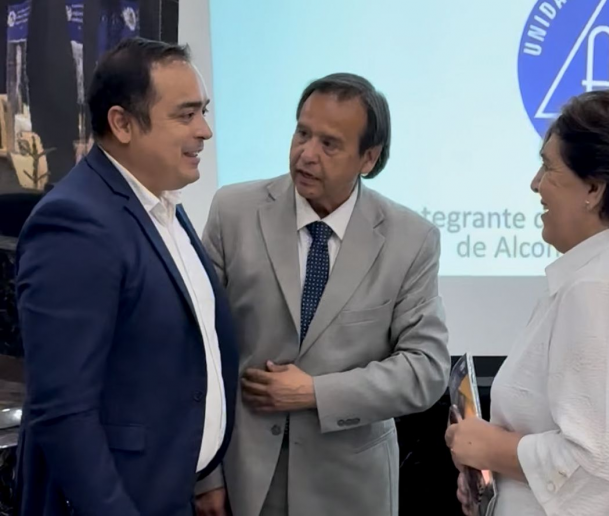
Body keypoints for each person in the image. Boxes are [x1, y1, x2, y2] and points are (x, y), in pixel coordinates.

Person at [195, 73, 450, 516]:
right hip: (243, 480)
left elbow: (425, 370)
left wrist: (316, 392)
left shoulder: (410, 239)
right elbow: (198, 349)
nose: (306, 154)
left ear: (368, 157)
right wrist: (206, 476)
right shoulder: (232, 212)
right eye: (302, 133)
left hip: (350, 488)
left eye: (329, 144)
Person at [445, 90, 609, 515]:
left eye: (548, 167)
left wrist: (492, 449)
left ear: (594, 189)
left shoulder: (602, 288)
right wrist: (497, 484)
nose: (535, 183)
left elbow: (602, 462)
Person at [14, 37, 239, 516]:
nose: (204, 131)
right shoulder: (76, 223)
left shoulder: (162, 205)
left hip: (171, 490)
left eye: (203, 111)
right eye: (185, 115)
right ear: (121, 124)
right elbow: (63, 411)